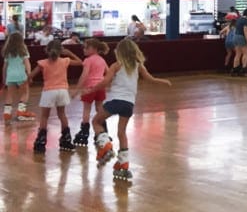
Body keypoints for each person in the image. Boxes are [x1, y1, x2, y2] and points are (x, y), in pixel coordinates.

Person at [88, 39, 172, 181]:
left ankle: (105, 145)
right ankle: (124, 163)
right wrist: (164, 81)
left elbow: (106, 81)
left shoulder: (116, 66)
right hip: (129, 104)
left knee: (96, 121)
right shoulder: (138, 66)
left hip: (115, 101)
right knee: (122, 133)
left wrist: (93, 89)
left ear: (119, 52)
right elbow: (150, 79)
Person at [29, 41, 84, 153]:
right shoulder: (65, 61)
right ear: (61, 51)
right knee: (62, 114)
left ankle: (41, 141)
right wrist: (69, 53)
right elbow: (80, 62)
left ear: (46, 50)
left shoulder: (42, 63)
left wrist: (28, 80)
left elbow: (31, 75)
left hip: (49, 91)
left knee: (45, 116)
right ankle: (66, 139)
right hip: (62, 90)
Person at [71, 39, 109, 146]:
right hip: (100, 87)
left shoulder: (88, 60)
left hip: (89, 88)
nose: (84, 49)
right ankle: (103, 131)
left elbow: (84, 76)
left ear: (94, 49)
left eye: (86, 47)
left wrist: (77, 90)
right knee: (100, 109)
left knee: (86, 110)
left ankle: (84, 132)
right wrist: (102, 81)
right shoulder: (102, 59)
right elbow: (109, 72)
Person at [2, 33, 35, 123]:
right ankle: (21, 112)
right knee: (25, 93)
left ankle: (7, 113)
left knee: (9, 95)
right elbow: (27, 64)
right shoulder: (23, 49)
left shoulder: (7, 51)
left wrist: (4, 78)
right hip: (21, 75)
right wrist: (29, 75)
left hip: (10, 76)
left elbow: (5, 67)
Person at [231, 9, 247, 77]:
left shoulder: (239, 19)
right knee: (245, 53)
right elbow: (245, 31)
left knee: (238, 54)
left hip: (235, 37)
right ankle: (244, 69)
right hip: (241, 37)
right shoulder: (246, 21)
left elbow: (236, 29)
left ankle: (235, 69)